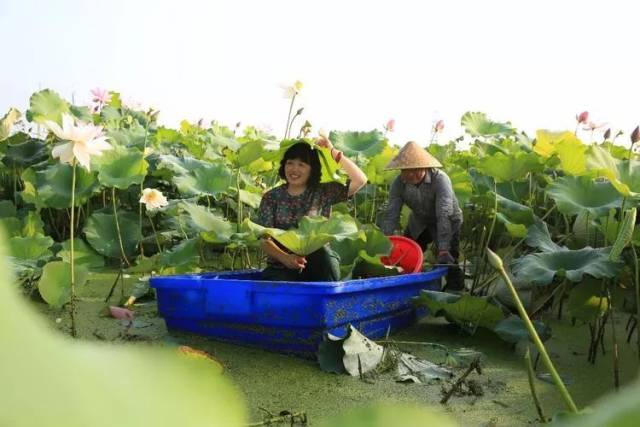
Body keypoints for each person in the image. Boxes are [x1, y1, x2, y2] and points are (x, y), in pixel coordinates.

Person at [256, 137, 368, 281]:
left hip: (319, 263)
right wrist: (286, 259)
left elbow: (360, 180)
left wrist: (332, 151)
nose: (294, 169)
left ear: (312, 170)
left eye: (301, 165)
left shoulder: (323, 192)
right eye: (290, 163)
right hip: (281, 266)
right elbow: (264, 239)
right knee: (276, 286)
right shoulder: (271, 197)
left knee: (324, 258)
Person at [379, 141, 464, 290]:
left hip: (448, 220)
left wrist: (443, 248)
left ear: (424, 166)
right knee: (405, 253)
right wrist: (385, 241)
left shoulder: (440, 180)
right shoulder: (398, 183)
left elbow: (444, 213)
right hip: (420, 221)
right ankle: (407, 284)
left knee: (448, 258)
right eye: (405, 170)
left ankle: (455, 290)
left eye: (414, 169)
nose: (409, 174)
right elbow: (392, 212)